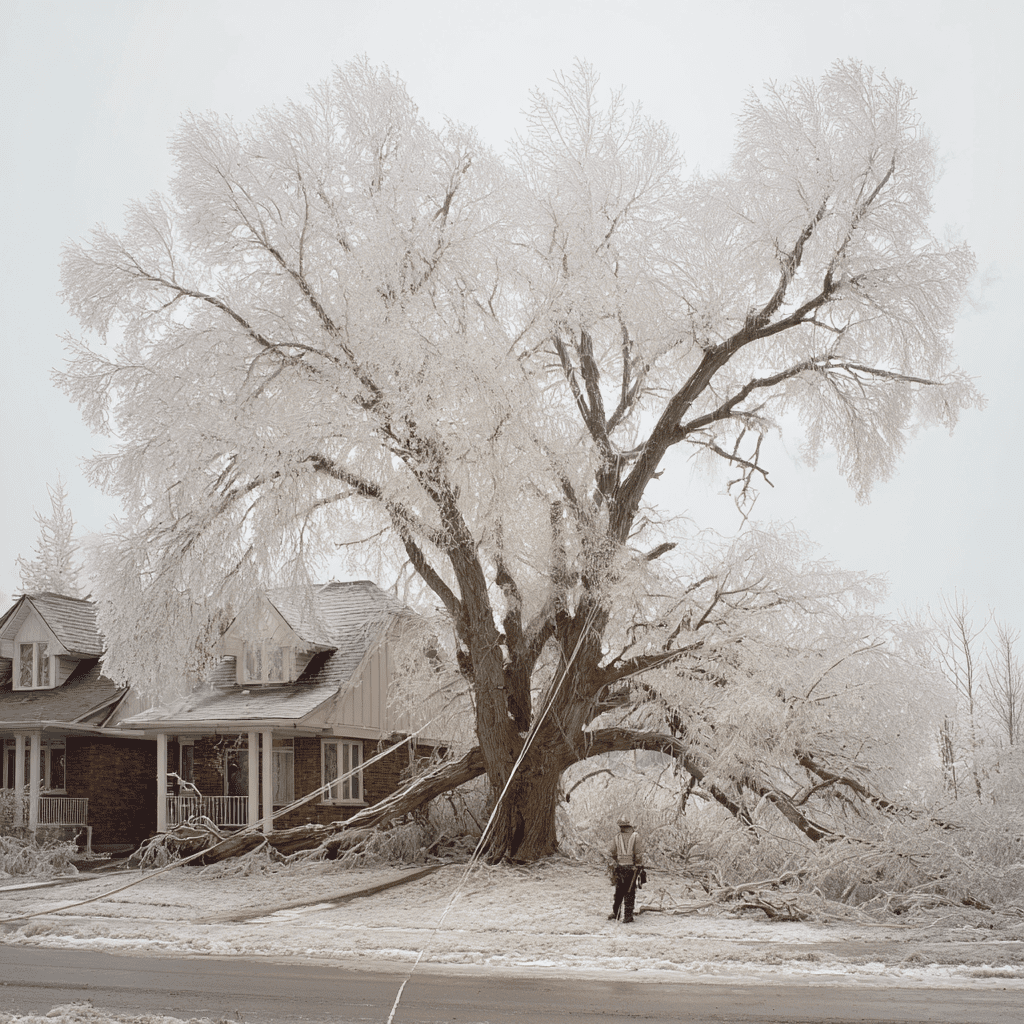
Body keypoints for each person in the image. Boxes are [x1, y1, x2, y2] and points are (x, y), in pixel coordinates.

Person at [607, 815, 644, 923]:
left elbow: (612, 852)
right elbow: (638, 854)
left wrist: (618, 861)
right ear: (631, 826)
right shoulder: (636, 836)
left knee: (619, 891)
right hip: (631, 869)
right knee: (630, 892)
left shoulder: (617, 837)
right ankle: (628, 916)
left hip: (619, 868)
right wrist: (638, 865)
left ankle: (616, 913)